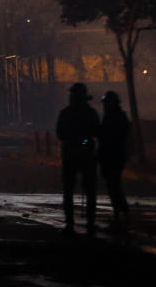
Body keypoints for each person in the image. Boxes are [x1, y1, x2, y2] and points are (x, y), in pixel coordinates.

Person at [56, 82, 101, 235]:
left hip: (72, 154)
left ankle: (71, 223)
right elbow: (96, 132)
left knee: (70, 190)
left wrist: (74, 140)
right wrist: (84, 141)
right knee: (88, 190)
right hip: (85, 154)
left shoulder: (66, 113)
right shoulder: (90, 113)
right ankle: (89, 222)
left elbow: (60, 133)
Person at [98, 90, 130, 230]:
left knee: (113, 184)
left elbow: (114, 137)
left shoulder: (115, 117)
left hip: (114, 155)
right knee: (112, 184)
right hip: (111, 155)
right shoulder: (112, 116)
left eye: (107, 103)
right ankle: (120, 209)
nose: (105, 106)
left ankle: (121, 209)